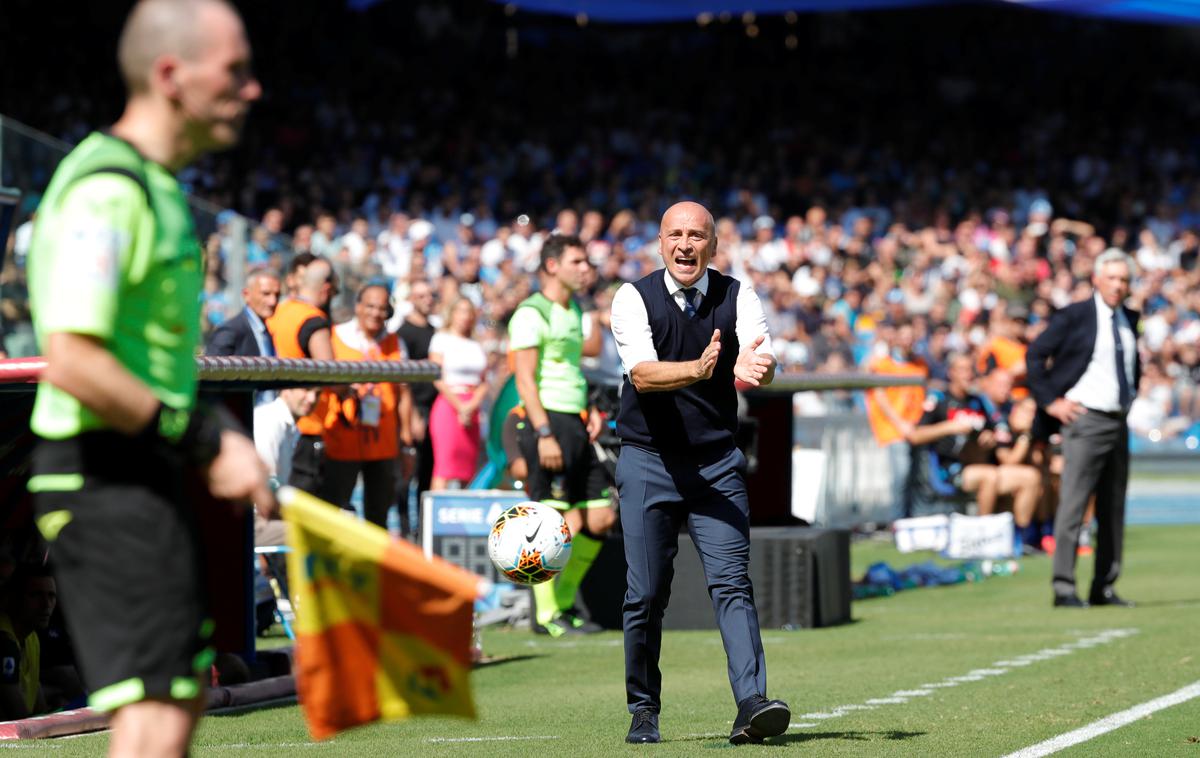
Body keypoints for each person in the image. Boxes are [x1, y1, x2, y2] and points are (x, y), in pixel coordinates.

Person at [24, 2, 273, 753]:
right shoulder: (106, 189)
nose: (252, 88)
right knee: (158, 719)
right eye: (234, 69)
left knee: (175, 704)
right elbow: (71, 356)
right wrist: (202, 434)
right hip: (100, 475)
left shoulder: (161, 189)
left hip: (142, 473)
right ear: (172, 75)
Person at [609, 201, 789, 745]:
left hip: (716, 464)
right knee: (645, 594)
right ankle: (643, 708)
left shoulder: (739, 294)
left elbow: (762, 352)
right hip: (648, 460)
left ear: (713, 245)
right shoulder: (631, 298)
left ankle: (751, 704)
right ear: (660, 243)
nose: (685, 245)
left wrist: (758, 366)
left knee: (733, 585)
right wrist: (701, 369)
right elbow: (642, 374)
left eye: (697, 236)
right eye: (675, 235)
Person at [509, 235, 615, 637]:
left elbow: (573, 368)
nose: (585, 268)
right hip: (546, 422)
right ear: (552, 266)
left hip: (575, 419)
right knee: (546, 521)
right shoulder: (530, 312)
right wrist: (543, 432)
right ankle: (546, 614)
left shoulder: (572, 309)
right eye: (577, 261)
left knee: (601, 515)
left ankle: (565, 603)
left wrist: (588, 411)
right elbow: (525, 379)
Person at [1027, 249, 1141, 609]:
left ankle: (1104, 586)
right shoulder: (1076, 315)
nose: (1118, 285)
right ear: (1096, 278)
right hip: (1085, 419)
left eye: (1124, 279)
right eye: (1112, 278)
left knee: (1112, 508)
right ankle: (1064, 586)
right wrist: (1051, 402)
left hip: (1117, 420)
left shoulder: (1129, 317)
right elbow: (1035, 354)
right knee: (1074, 506)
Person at [906, 356, 1040, 527]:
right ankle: (981, 534)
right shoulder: (939, 399)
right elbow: (915, 436)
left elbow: (992, 433)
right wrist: (949, 427)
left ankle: (1021, 537)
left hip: (979, 463)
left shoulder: (977, 402)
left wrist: (988, 438)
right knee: (989, 477)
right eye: (963, 370)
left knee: (1030, 477)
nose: (969, 375)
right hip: (950, 470)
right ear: (951, 373)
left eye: (971, 370)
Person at [320, 284, 414, 529]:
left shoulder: (395, 343)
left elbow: (403, 394)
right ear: (358, 307)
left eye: (382, 308)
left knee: (378, 516)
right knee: (333, 512)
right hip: (341, 439)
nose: (376, 313)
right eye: (370, 306)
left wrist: (406, 442)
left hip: (382, 444)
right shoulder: (335, 336)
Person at [267, 257, 336, 493]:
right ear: (326, 289)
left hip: (278, 415)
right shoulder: (313, 319)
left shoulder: (280, 311)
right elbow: (330, 372)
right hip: (308, 424)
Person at [863, 318, 928, 520]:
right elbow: (879, 396)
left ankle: (913, 520)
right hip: (894, 427)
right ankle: (898, 521)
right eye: (904, 337)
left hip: (915, 427)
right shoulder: (883, 364)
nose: (908, 341)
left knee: (917, 476)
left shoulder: (920, 365)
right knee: (901, 475)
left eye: (911, 337)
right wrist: (899, 423)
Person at [428, 297, 488, 489]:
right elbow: (437, 376)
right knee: (444, 466)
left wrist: (471, 405)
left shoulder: (476, 344)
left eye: (468, 311)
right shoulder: (441, 339)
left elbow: (484, 381)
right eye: (461, 311)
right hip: (449, 404)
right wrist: (460, 406)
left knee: (467, 466)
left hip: (472, 405)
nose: (465, 316)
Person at [395, 280, 438, 537]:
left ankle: (423, 530)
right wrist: (412, 416)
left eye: (430, 295)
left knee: (427, 471)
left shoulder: (435, 330)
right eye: (421, 294)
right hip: (414, 409)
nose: (427, 299)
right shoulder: (404, 332)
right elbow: (404, 379)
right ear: (412, 297)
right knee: (406, 472)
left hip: (435, 409)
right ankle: (403, 528)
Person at [0, 565, 56, 720]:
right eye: (36, 595)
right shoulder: (3, 642)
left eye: (51, 596)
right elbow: (18, 717)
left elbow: (38, 703)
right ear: (13, 598)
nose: (46, 605)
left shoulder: (32, 638)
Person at [204, 268, 281, 358]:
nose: (273, 301)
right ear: (246, 294)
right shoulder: (229, 332)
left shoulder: (265, 332)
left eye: (277, 295)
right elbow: (211, 369)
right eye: (266, 294)